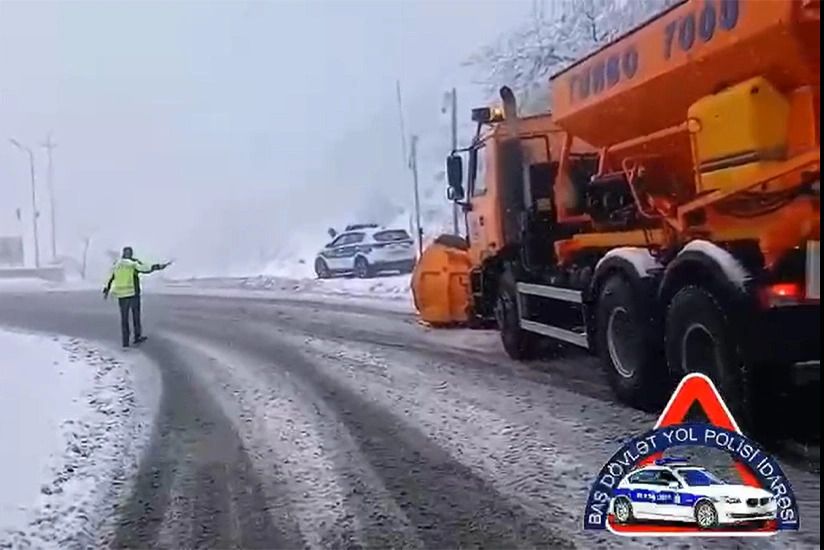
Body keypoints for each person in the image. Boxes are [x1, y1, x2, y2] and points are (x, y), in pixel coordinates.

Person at [103, 247, 171, 347]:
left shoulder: (116, 265)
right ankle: (137, 337)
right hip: (133, 294)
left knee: (124, 319)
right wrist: (158, 267)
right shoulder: (132, 264)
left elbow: (109, 278)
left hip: (121, 295)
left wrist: (106, 290)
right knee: (136, 316)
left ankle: (125, 342)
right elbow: (145, 269)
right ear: (130, 254)